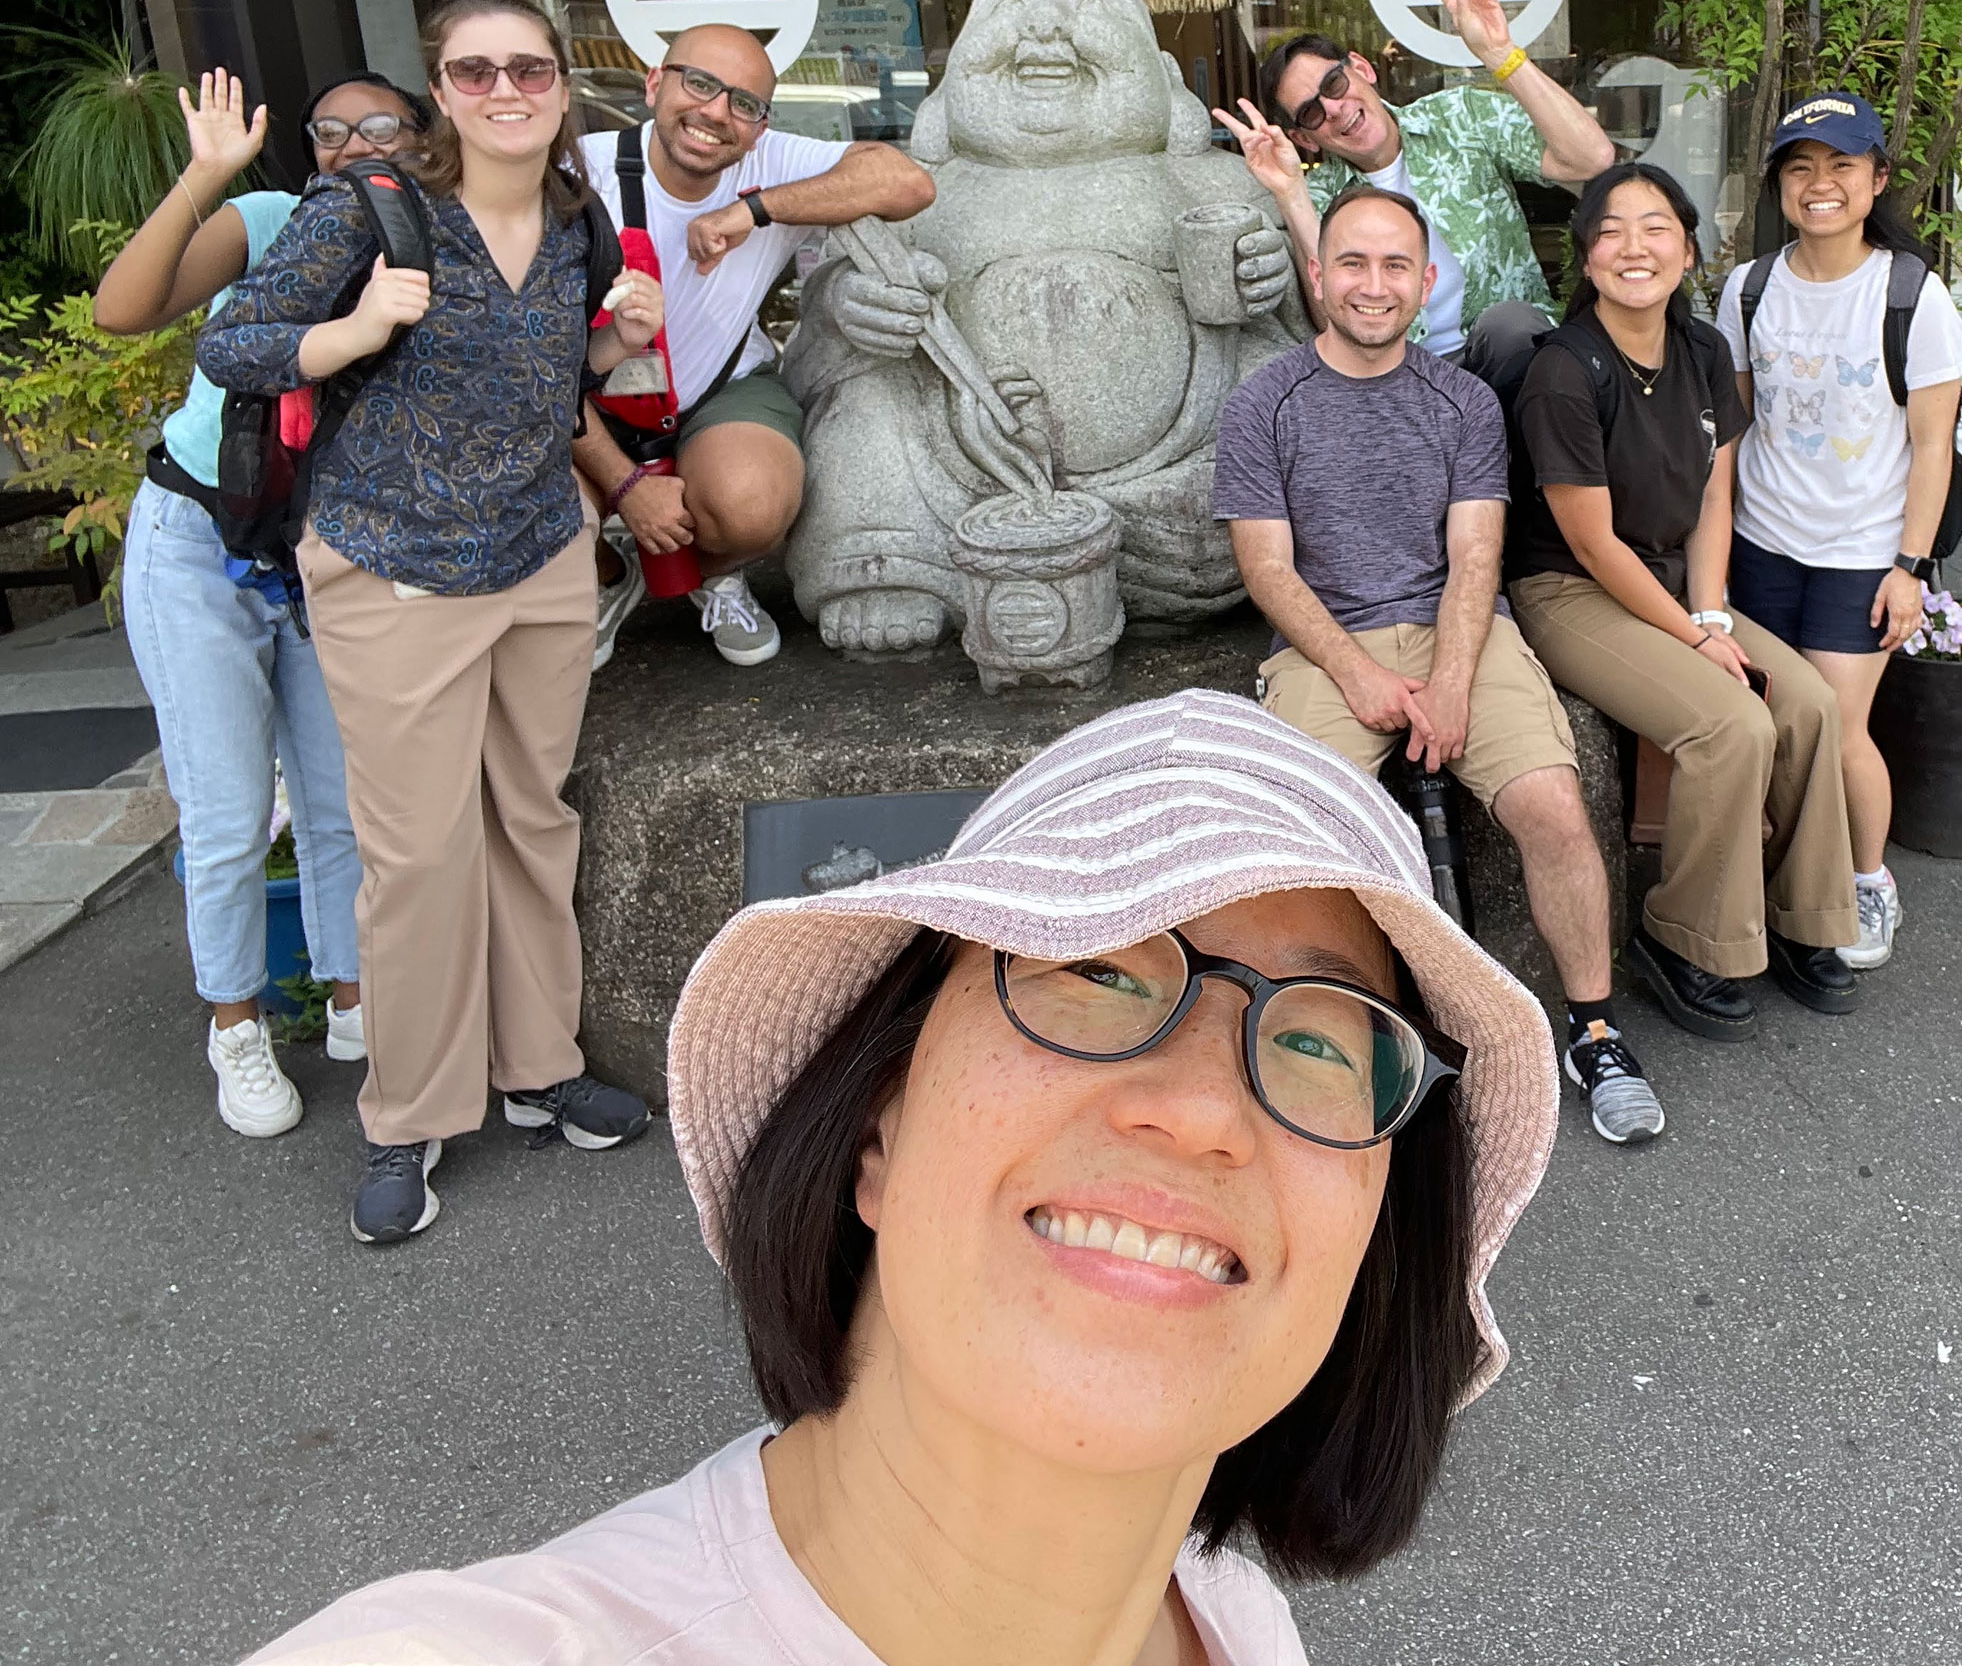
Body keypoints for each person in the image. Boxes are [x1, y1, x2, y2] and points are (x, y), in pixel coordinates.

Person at [243, 690, 1559, 1666]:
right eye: (1094, 971)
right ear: (877, 1117)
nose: (1206, 1110)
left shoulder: (1238, 1625)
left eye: (1326, 1042)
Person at [198, 0, 667, 1246]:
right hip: (394, 564)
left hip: (536, 556)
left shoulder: (581, 221)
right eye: (474, 72)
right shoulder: (369, 208)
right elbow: (232, 344)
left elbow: (540, 381)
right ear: (439, 91)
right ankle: (405, 1117)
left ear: (563, 85)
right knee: (416, 856)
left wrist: (613, 347)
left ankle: (538, 1066)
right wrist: (351, 327)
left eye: (528, 69)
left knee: (531, 817)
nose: (504, 90)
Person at [1214, 183, 1660, 1147]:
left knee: (1552, 807)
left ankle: (1594, 1030)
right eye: (1353, 264)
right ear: (1318, 274)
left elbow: (1474, 558)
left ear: (1424, 283)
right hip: (1326, 644)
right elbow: (1268, 568)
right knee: (1302, 840)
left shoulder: (1462, 401)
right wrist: (1361, 678)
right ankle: (1317, 1036)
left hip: (1461, 631)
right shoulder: (1263, 403)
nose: (1373, 286)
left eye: (1394, 267)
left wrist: (1452, 681)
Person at [95, 66, 426, 1140]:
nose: (353, 143)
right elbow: (123, 309)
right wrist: (204, 176)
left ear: (425, 139)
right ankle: (235, 1022)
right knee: (229, 811)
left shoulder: (443, 249)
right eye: (331, 130)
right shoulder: (275, 222)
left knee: (340, 802)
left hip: (327, 557)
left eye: (380, 124)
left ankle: (351, 997)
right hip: (198, 540)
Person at [1504, 162, 1860, 1042]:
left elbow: (1713, 498)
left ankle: (1803, 917)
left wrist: (1710, 618)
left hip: (1674, 584)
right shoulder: (1563, 370)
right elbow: (1590, 542)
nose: (1636, 247)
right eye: (1613, 230)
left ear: (1688, 248)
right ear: (1586, 258)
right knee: (1728, 723)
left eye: (1657, 227)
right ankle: (1685, 936)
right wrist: (1699, 644)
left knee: (1810, 705)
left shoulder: (1703, 350)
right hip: (1572, 589)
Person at [575, 23, 936, 668]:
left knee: (753, 504)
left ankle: (713, 570)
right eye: (700, 83)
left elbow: (906, 183)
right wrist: (626, 488)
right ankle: (607, 573)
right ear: (655, 84)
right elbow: (532, 372)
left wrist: (753, 211)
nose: (716, 113)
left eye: (744, 102)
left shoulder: (764, 163)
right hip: (587, 398)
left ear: (760, 125)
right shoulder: (580, 171)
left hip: (717, 389)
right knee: (547, 524)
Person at [1719, 96, 1962, 972]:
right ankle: (1786, 877)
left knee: (1840, 729)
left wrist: (1910, 567)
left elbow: (1933, 445)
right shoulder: (1748, 288)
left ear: (1877, 180)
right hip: (1761, 545)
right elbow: (1734, 425)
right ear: (1780, 184)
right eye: (1801, 169)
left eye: (1841, 167)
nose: (1820, 186)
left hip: (1860, 556)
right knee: (1772, 725)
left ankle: (1866, 879)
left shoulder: (1911, 294)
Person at [1220, 0, 1615, 362]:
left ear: (1362, 68)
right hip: (1409, 380)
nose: (1334, 109)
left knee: (1509, 325)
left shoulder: (1459, 117)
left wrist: (1499, 54)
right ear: (1306, 138)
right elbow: (1335, 325)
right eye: (1312, 113)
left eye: (1334, 83)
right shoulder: (1319, 197)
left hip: (1514, 359)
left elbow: (1591, 158)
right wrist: (1289, 193)